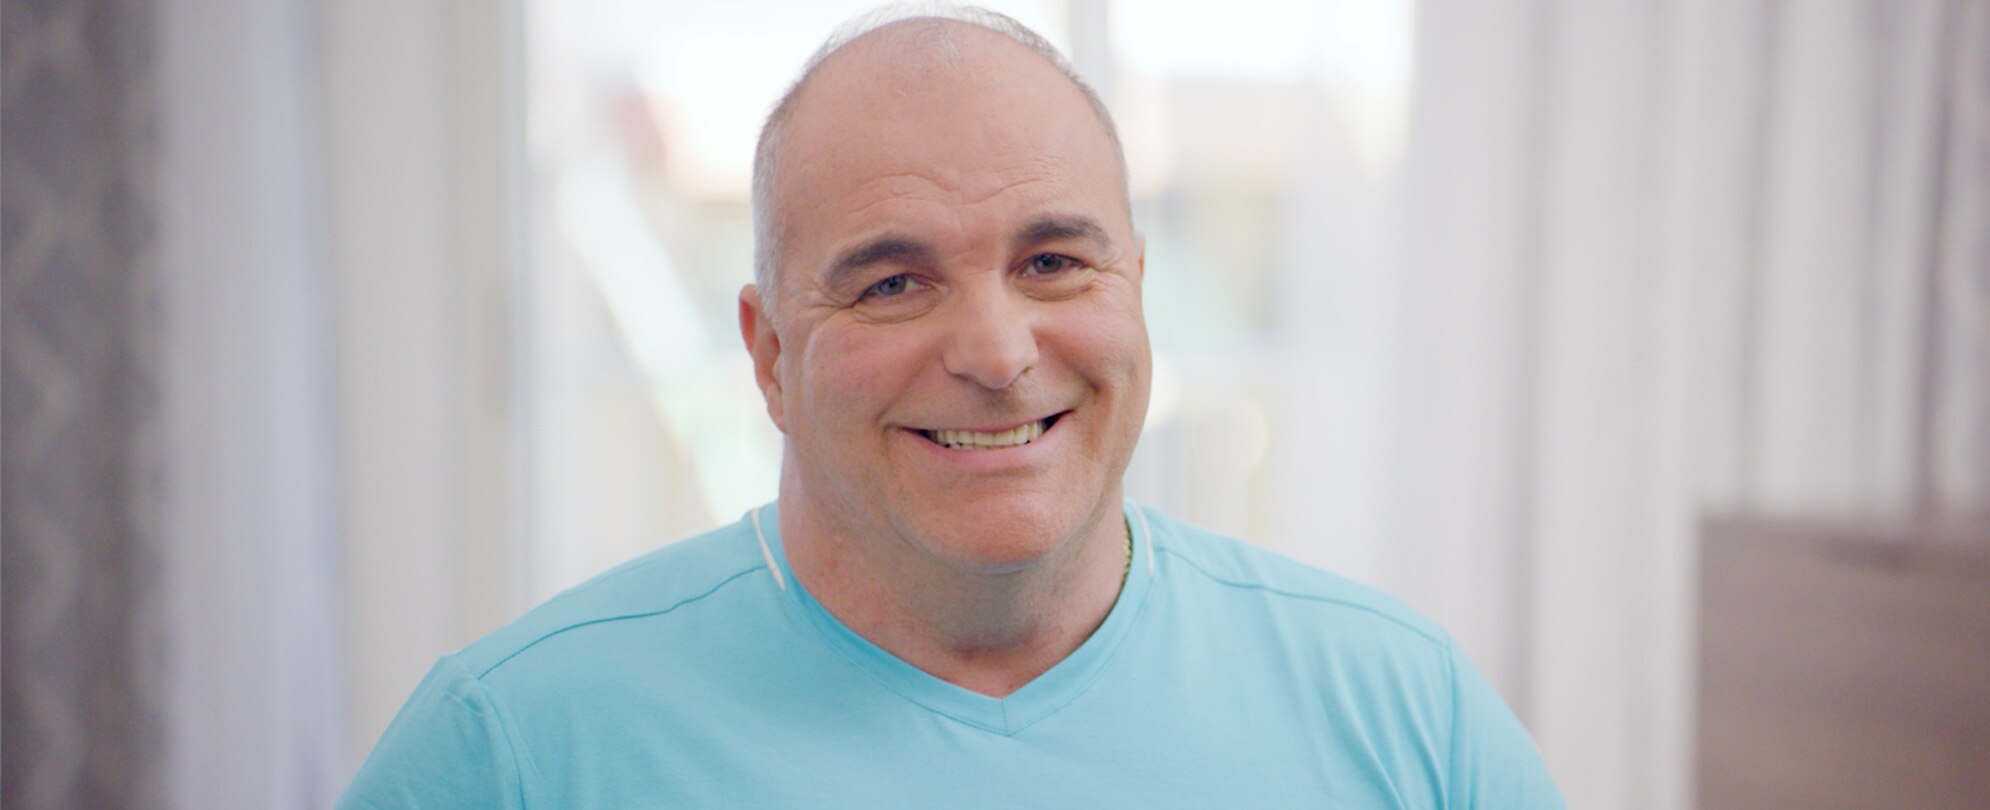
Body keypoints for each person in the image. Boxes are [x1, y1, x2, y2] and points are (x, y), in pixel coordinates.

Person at [339, 5, 1565, 807]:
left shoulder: (1405, 711)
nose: (995, 351)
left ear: (1133, 286)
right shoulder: (510, 750)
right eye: (892, 281)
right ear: (768, 354)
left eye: (1052, 262)